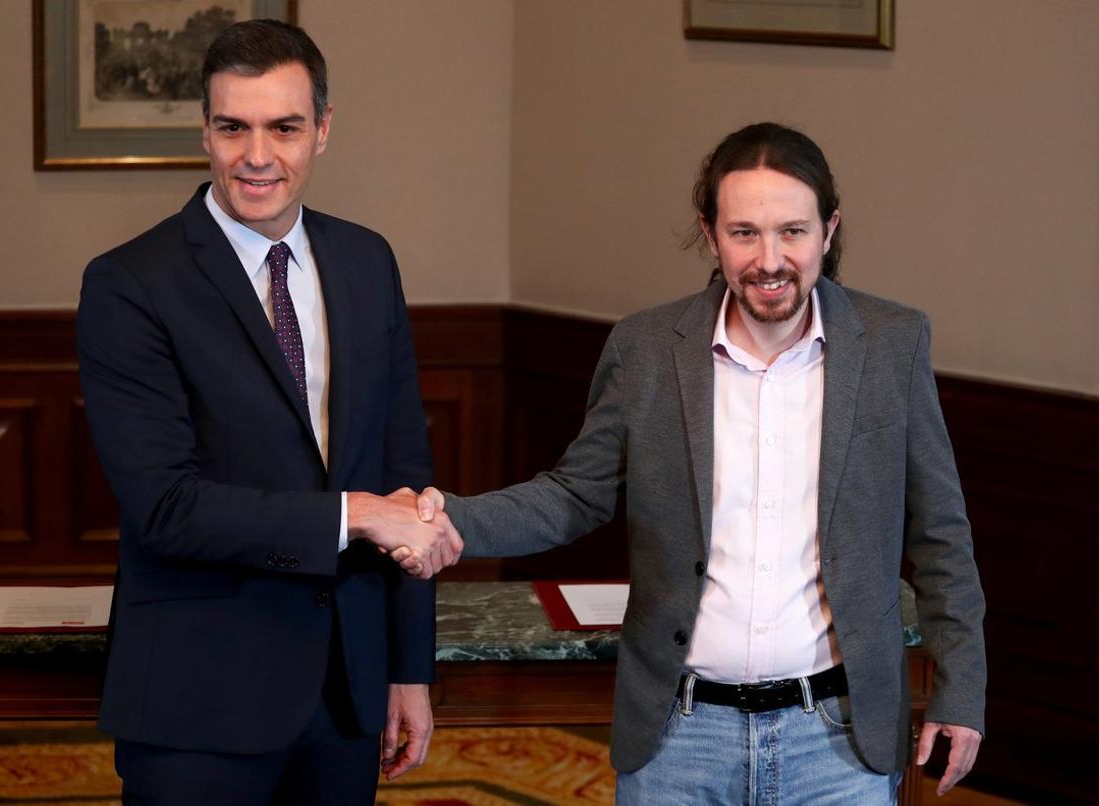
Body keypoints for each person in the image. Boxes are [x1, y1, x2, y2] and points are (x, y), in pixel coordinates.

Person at [409, 122, 985, 804]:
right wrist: (448, 519)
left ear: (828, 231)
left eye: (792, 232)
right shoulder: (647, 348)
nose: (770, 260)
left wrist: (962, 691)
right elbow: (573, 496)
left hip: (839, 739)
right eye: (744, 233)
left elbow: (941, 534)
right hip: (679, 740)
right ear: (709, 235)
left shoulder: (894, 344)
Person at [76, 20, 461, 805]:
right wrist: (353, 517)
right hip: (198, 699)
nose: (257, 156)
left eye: (284, 127)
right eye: (233, 128)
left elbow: (407, 482)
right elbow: (166, 508)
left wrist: (407, 669)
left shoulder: (365, 262)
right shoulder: (129, 284)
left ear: (322, 130)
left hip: (346, 692)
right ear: (205, 132)